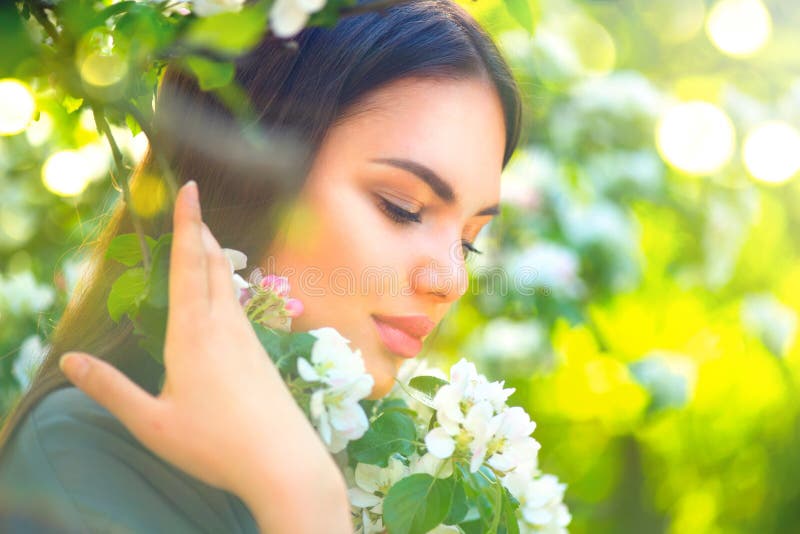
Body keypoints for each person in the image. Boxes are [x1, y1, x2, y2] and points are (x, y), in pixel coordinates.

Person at [0, 0, 523, 531]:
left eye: (469, 241)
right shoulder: (87, 459)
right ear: (248, 173)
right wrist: (307, 499)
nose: (451, 280)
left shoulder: (367, 464)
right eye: (401, 207)